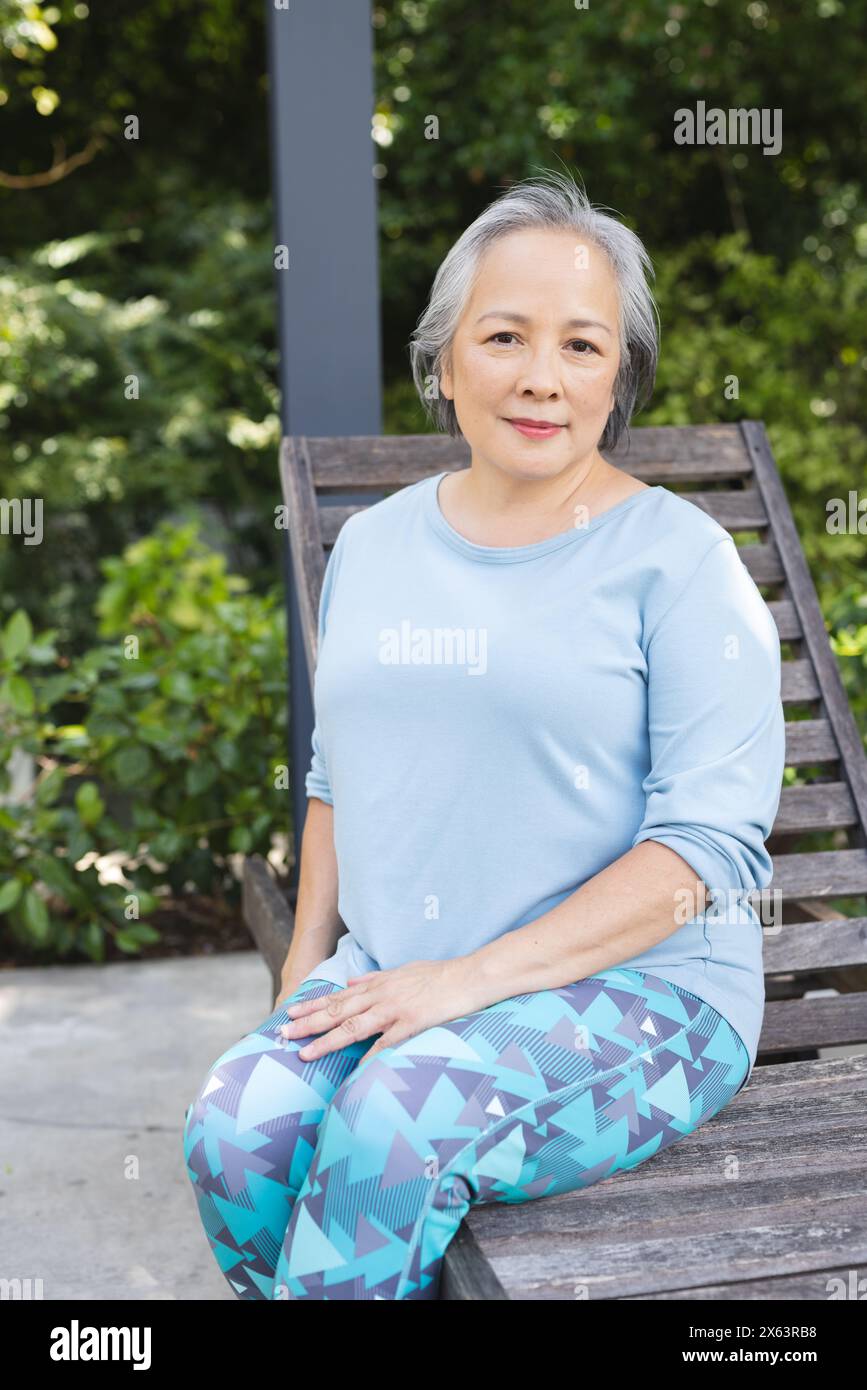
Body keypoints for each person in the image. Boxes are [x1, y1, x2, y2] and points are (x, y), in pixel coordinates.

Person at [183, 168, 785, 1301]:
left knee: (388, 1138)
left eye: (583, 346)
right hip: (403, 973)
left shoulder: (683, 563)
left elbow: (708, 856)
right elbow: (333, 777)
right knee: (237, 1131)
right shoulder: (372, 547)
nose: (541, 379)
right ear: (445, 360)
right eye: (506, 335)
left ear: (620, 376)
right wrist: (305, 972)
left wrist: (466, 983)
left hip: (650, 996)